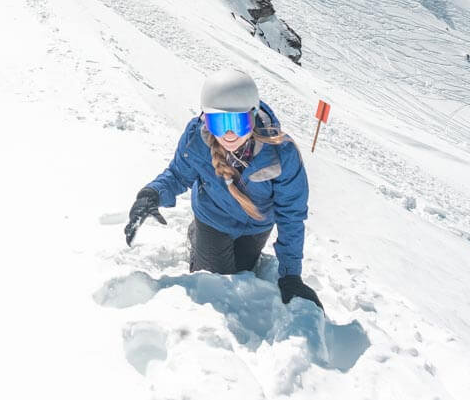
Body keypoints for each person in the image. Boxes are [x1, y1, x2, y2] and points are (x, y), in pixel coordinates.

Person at [125, 68, 322, 308]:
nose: (228, 134)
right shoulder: (196, 138)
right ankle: (197, 235)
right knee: (215, 282)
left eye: (237, 123)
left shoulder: (281, 153)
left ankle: (203, 240)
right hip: (214, 218)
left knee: (241, 270)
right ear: (206, 119)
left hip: (256, 225)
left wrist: (291, 275)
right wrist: (151, 194)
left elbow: (291, 215)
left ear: (254, 115)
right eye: (218, 123)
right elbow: (177, 175)